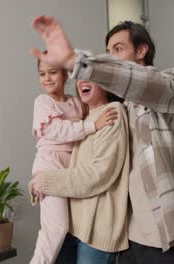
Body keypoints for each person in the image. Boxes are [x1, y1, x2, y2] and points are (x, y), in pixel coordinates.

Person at [29, 16, 174, 264]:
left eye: (118, 49)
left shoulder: (168, 86)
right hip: (132, 233)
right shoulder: (115, 109)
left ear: (141, 50)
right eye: (108, 52)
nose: (112, 58)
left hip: (163, 236)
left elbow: (137, 80)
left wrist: (74, 60)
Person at [30, 78, 130, 264]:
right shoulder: (82, 119)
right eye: (80, 76)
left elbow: (99, 174)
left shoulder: (111, 112)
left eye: (92, 76)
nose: (82, 80)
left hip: (97, 231)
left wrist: (46, 181)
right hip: (74, 226)